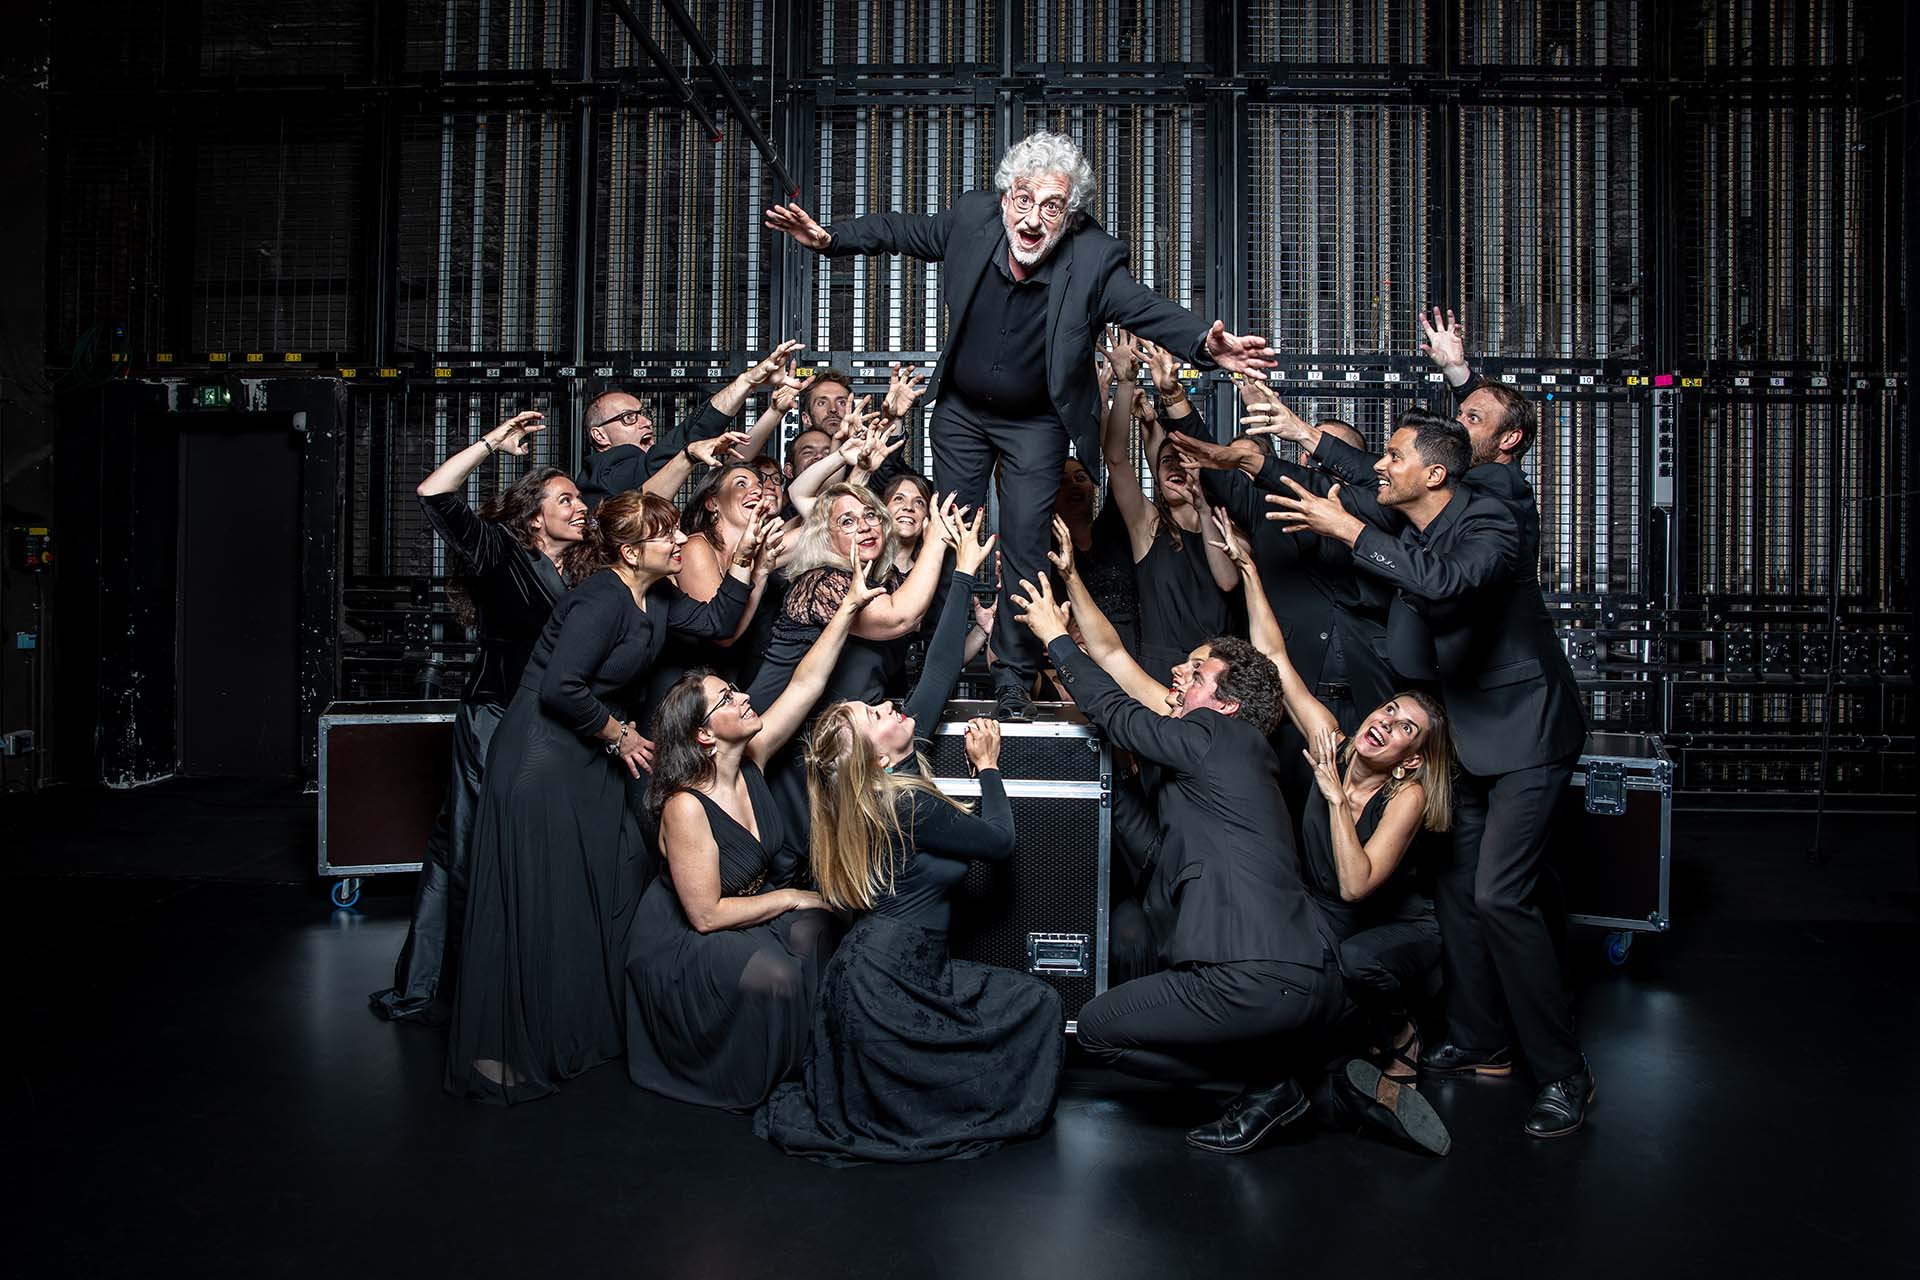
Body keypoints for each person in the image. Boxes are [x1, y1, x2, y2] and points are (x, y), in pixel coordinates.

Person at [766, 129, 1276, 722]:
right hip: (963, 411)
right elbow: (901, 231)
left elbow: (1146, 308)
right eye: (1024, 201)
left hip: (1036, 421)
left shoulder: (1093, 258)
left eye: (1052, 206)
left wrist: (1206, 347)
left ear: (1069, 215)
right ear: (1006, 197)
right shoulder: (972, 220)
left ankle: (1014, 674)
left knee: (1028, 543)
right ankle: (935, 661)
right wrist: (830, 239)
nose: (1033, 219)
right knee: (949, 534)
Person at [1264, 402, 1594, 1138]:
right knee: (1456, 888)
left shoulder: (1494, 518)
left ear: (1438, 473)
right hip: (1465, 736)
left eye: (1394, 454)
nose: (1380, 464)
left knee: (1503, 896)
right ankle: (1483, 1041)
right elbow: (1363, 481)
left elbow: (1445, 582)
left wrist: (1349, 530)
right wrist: (1287, 443)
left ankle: (1565, 1074)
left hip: (1527, 732)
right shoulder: (1419, 508)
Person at [444, 491, 772, 1105]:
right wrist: (618, 732)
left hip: (591, 757)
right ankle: (508, 1048)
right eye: (666, 535)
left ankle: (584, 1028)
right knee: (541, 896)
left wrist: (749, 561)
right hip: (544, 757)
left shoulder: (658, 599)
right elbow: (560, 688)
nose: (680, 542)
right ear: (630, 551)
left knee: (603, 883)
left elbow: (716, 623)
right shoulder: (601, 598)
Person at [755, 511, 1063, 1165]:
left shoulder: (890, 771)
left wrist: (963, 572)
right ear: (872, 752)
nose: (890, 707)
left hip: (896, 973)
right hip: (886, 989)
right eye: (875, 714)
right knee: (1035, 1005)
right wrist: (989, 772)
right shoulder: (900, 799)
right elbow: (1001, 842)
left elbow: (940, 670)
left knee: (1027, 1004)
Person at [624, 550, 887, 1110]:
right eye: (727, 699)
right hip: (688, 939)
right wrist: (791, 895)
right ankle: (763, 1085)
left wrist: (846, 610)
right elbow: (705, 915)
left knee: (820, 930)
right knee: (778, 976)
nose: (744, 697)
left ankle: (817, 1066)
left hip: (747, 909)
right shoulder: (685, 807)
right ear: (702, 735)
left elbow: (807, 682)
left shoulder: (754, 759)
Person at [1211, 508, 1452, 1085]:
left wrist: (1337, 800)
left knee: (1353, 963)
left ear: (1413, 758)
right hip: (1320, 915)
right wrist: (1247, 568)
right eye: (1389, 710)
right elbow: (1275, 662)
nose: (1386, 722)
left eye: (1404, 729)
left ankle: (1400, 1032)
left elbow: (1355, 885)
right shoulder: (1334, 744)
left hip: (1389, 931)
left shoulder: (1408, 797)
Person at [370, 410, 581, 1025]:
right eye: (564, 499)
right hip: (494, 719)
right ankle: (445, 985)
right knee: (463, 847)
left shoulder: (586, 571)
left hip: (554, 727)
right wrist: (493, 443)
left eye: (577, 498)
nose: (579, 507)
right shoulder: (500, 554)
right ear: (534, 516)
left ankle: (528, 980)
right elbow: (433, 493)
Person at [744, 483, 961, 884]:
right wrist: (937, 538)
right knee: (791, 863)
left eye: (871, 515)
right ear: (826, 537)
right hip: (780, 748)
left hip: (830, 750)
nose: (864, 525)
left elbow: (908, 630)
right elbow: (900, 617)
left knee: (835, 869)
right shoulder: (822, 581)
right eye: (847, 521)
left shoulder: (879, 584)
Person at [1102, 329, 1238, 677]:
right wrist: (1126, 383)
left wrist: (1205, 510)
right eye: (1166, 463)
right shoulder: (1148, 526)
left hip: (1214, 675)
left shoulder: (1225, 520)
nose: (1174, 467)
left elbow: (1227, 582)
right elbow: (1116, 458)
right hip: (1158, 673)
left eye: (1182, 461)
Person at [575, 341, 801, 510]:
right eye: (628, 418)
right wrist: (748, 381)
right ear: (599, 435)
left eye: (644, 414)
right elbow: (687, 436)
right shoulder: (606, 468)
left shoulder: (637, 482)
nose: (646, 422)